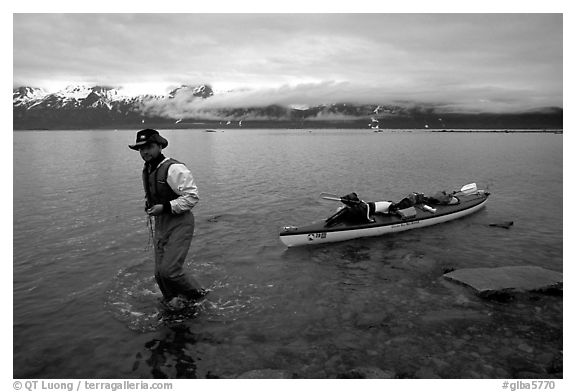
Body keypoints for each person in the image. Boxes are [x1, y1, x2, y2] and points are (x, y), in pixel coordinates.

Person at [129, 128, 207, 309]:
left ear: (159, 146)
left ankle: (200, 297)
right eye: (141, 149)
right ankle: (173, 301)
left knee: (170, 271)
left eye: (149, 147)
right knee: (159, 274)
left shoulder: (174, 168)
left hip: (180, 223)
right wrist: (150, 205)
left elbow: (192, 197)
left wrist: (164, 207)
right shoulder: (149, 169)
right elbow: (158, 194)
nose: (144, 152)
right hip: (161, 223)